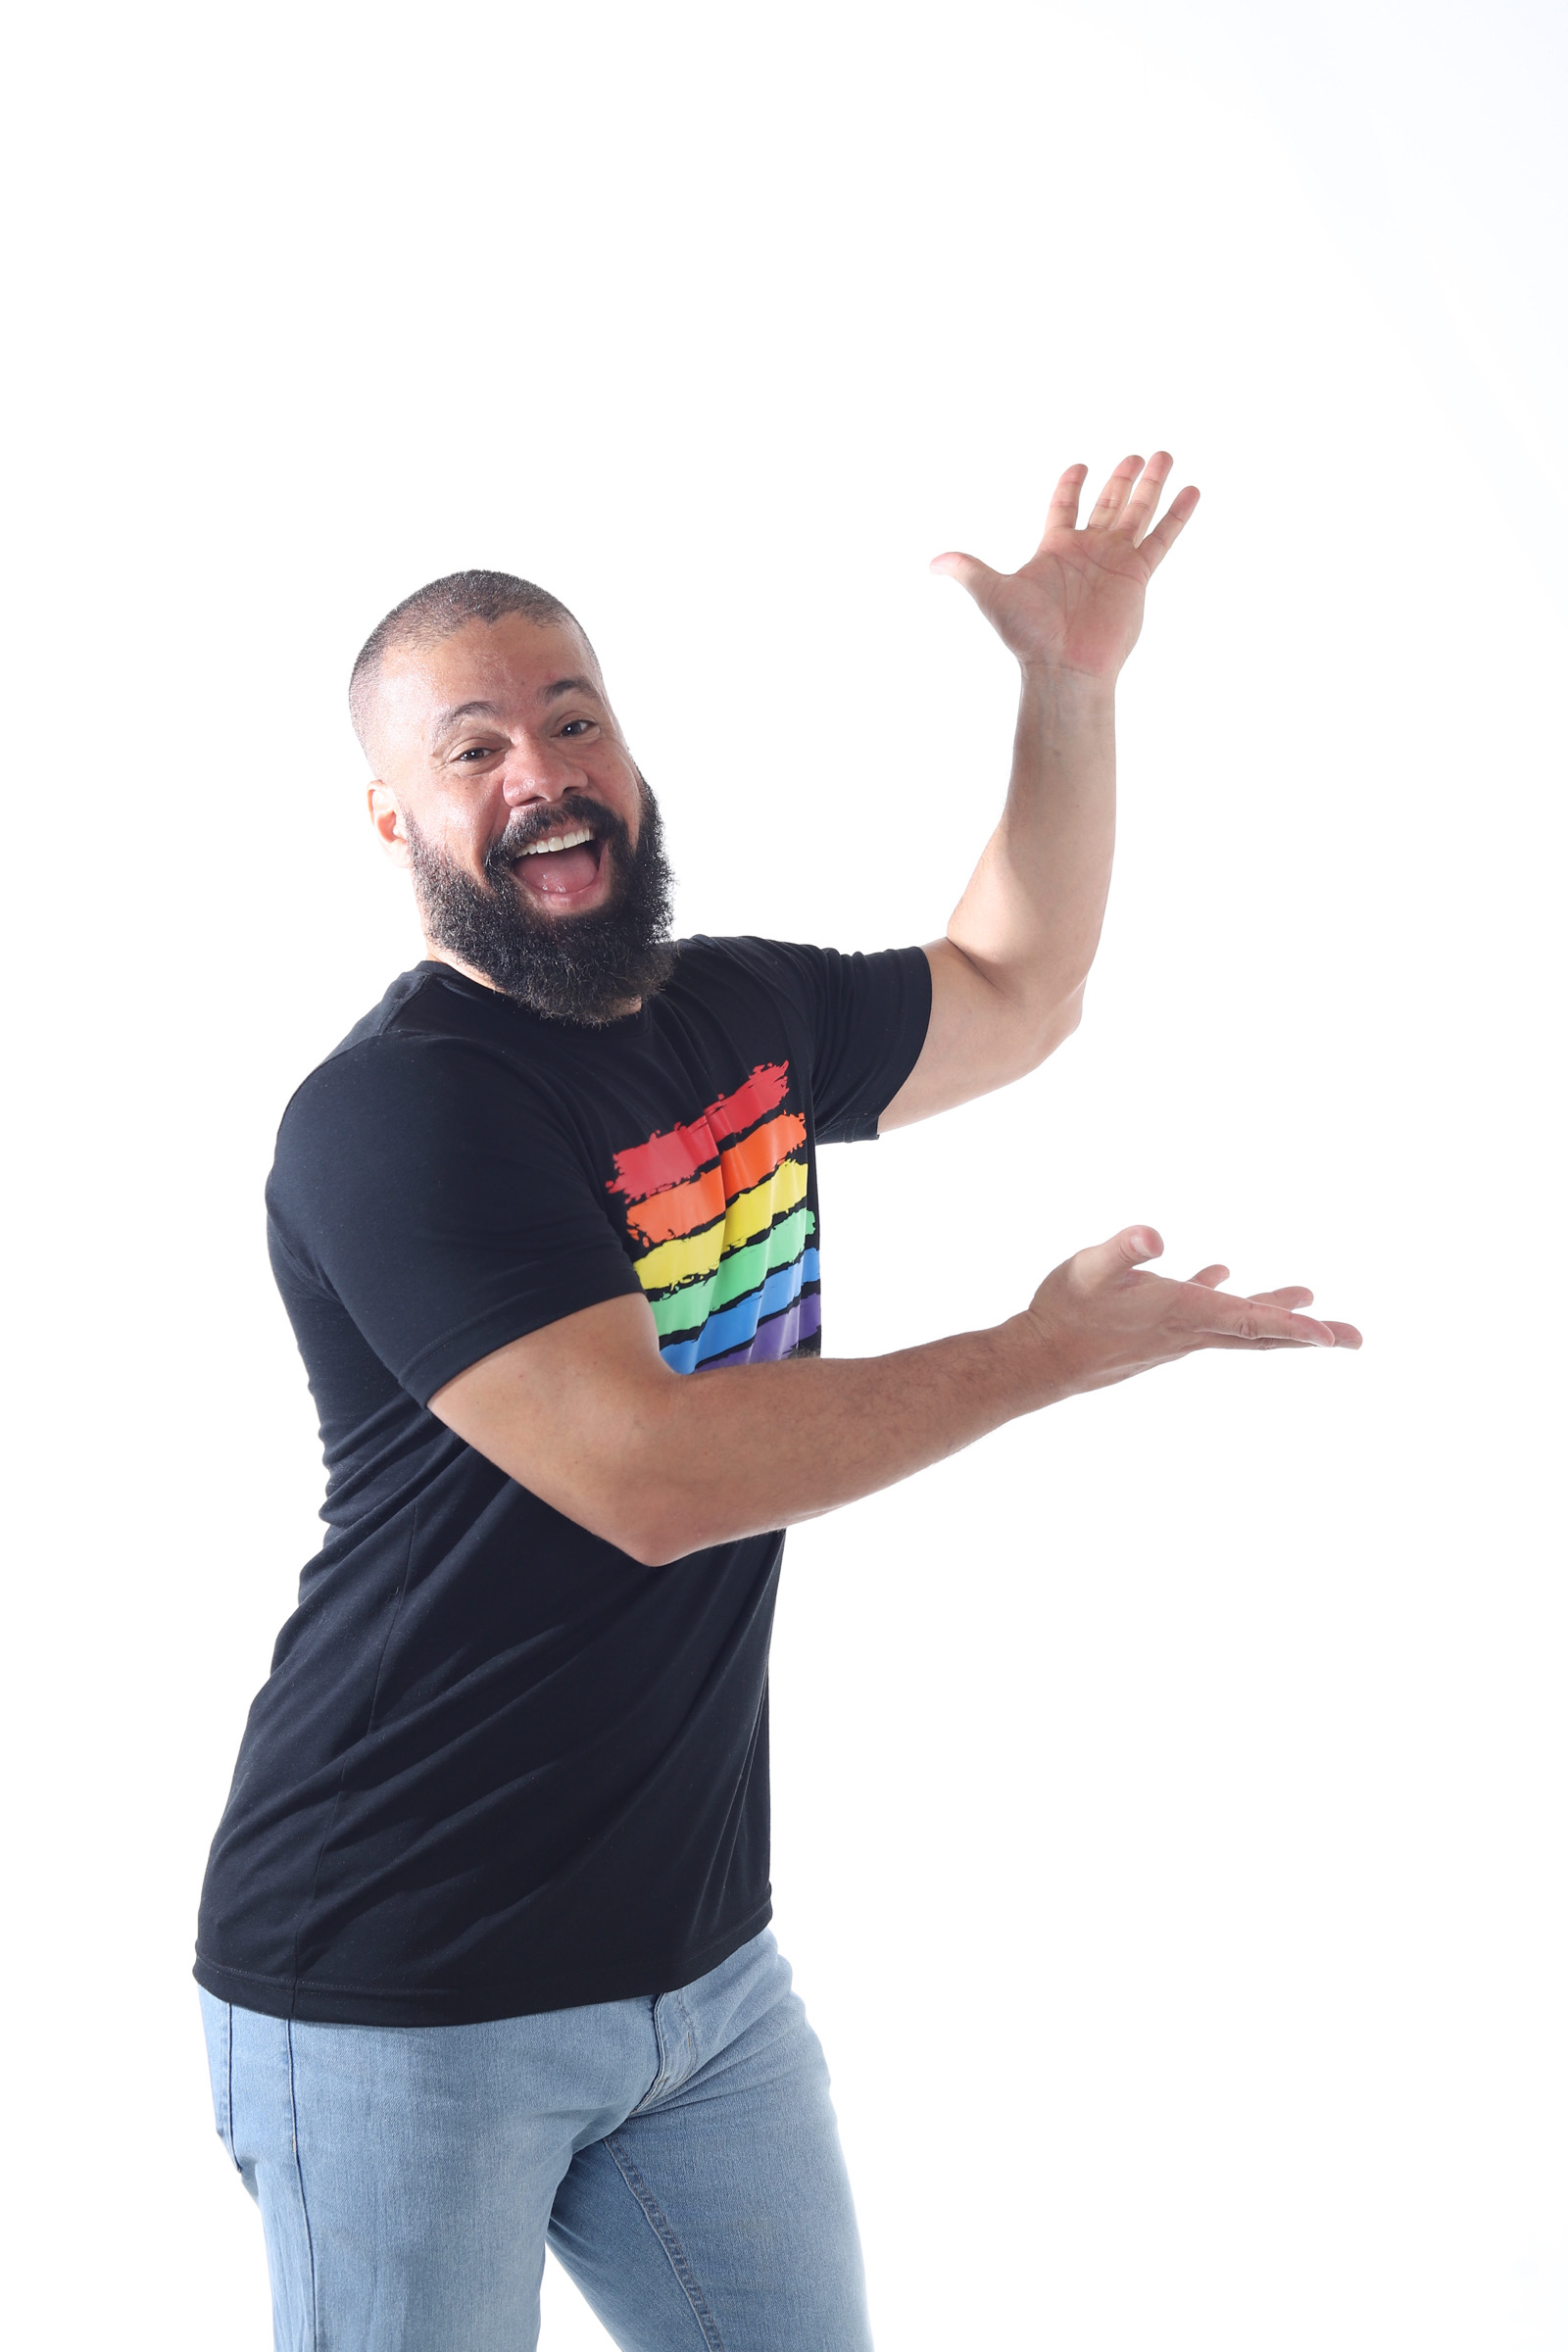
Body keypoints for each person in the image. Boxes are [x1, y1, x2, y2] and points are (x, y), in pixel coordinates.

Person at [194, 453, 1359, 2352]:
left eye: (573, 720)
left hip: (699, 1977)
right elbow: (647, 1478)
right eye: (473, 749)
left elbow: (1014, 985)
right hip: (400, 1985)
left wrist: (1068, 690)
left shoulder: (726, 1016)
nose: (541, 774)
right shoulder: (400, 1116)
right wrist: (1039, 1355)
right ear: (392, 817)